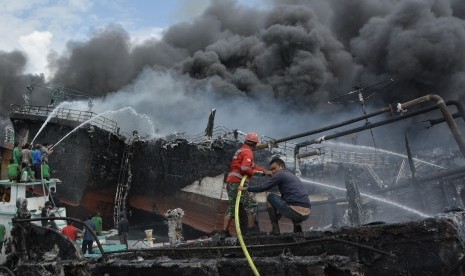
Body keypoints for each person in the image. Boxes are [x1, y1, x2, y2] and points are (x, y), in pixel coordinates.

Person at [238, 158, 311, 235]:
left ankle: (275, 228)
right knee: (292, 205)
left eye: (274, 168)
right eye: (271, 169)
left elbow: (263, 187)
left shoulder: (280, 174)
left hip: (293, 211)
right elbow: (289, 199)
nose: (272, 171)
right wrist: (280, 213)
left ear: (281, 166)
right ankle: (298, 229)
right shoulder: (292, 176)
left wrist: (246, 188)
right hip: (306, 214)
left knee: (270, 196)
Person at [221, 132, 271, 236]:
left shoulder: (240, 151)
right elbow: (245, 168)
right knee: (252, 203)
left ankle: (224, 232)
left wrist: (264, 171)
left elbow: (252, 166)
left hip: (230, 183)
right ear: (255, 144)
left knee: (232, 206)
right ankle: (251, 230)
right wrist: (253, 173)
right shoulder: (248, 152)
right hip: (238, 183)